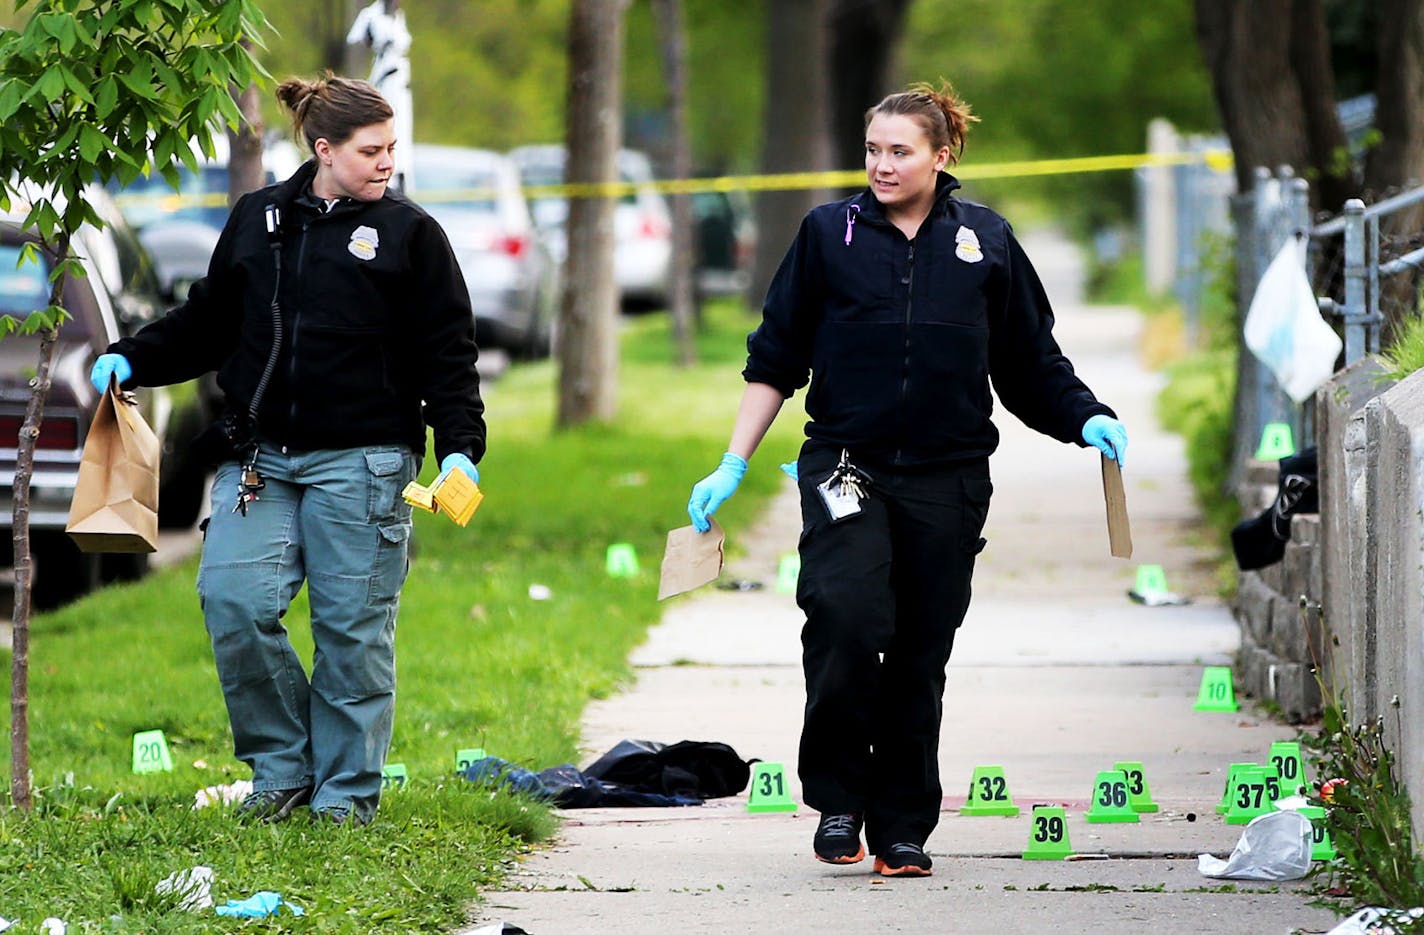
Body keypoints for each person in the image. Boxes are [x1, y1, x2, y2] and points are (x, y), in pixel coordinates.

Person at [685, 81, 1127, 877]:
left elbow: (1030, 364)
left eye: (900, 151)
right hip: (844, 465)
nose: (882, 165)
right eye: (872, 150)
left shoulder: (985, 241)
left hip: (948, 475)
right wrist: (733, 460)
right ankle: (839, 799)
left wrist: (1085, 415)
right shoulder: (829, 233)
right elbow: (775, 357)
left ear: (941, 155)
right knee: (847, 616)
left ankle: (901, 827)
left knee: (921, 650)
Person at [89, 75, 484, 826]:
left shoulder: (410, 234)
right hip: (259, 458)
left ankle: (344, 798)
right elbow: (208, 322)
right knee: (232, 601)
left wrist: (462, 448)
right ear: (323, 149)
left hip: (364, 462)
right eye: (371, 150)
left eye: (392, 148)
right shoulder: (259, 219)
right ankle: (283, 771)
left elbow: (448, 354)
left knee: (350, 632)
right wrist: (132, 356)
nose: (386, 162)